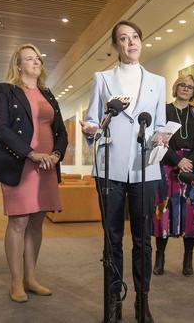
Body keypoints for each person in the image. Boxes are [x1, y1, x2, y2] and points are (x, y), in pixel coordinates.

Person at [80, 20, 167, 323]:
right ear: (116, 46)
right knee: (112, 238)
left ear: (141, 42)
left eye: (134, 37)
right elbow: (92, 122)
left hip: (146, 168)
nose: (130, 43)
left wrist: (161, 135)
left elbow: (159, 123)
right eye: (123, 38)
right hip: (110, 168)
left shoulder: (158, 81)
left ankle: (142, 304)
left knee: (143, 240)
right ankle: (113, 304)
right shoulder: (103, 78)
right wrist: (90, 130)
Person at [0, 43, 67, 303]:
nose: (35, 62)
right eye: (29, 58)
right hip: (21, 163)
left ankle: (31, 278)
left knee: (36, 221)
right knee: (19, 221)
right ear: (18, 65)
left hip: (47, 166)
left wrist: (55, 156)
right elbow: (1, 128)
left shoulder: (48, 93)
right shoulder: (5, 91)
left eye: (38, 58)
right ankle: (16, 282)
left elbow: (60, 131)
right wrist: (31, 154)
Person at [152, 74, 194, 277]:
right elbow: (158, 139)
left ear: (193, 91)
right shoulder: (164, 111)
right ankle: (159, 258)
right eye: (182, 85)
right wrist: (178, 161)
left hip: (193, 168)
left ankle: (188, 259)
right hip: (168, 166)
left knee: (191, 213)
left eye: (190, 87)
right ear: (176, 88)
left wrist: (189, 161)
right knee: (164, 212)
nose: (186, 89)